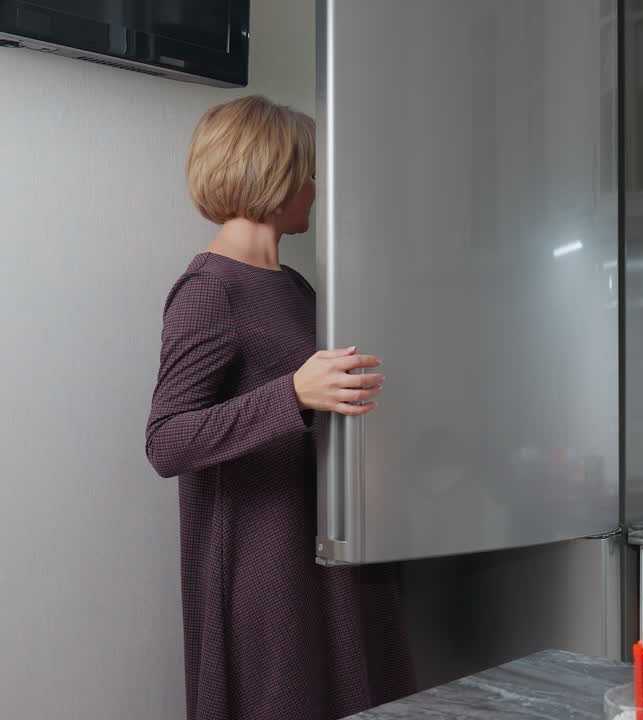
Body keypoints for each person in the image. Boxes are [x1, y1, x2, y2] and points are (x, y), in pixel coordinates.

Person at [145, 95, 416, 720]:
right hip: (266, 567)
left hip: (329, 549)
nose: (316, 189)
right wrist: (291, 395)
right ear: (273, 173)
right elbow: (166, 440)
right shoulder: (208, 289)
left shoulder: (295, 288)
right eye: (309, 172)